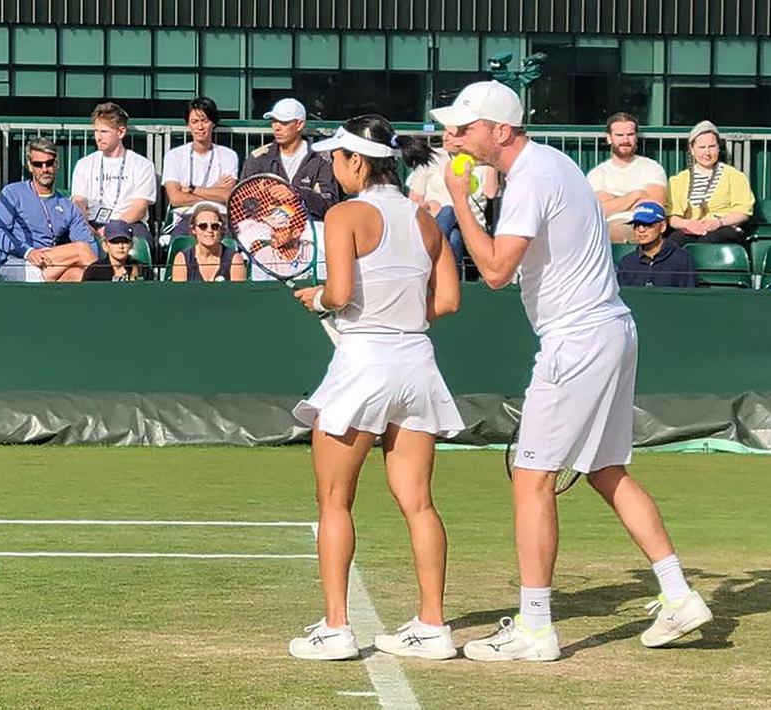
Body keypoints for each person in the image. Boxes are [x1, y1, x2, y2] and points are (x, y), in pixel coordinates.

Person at [434, 81, 713, 661]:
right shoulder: (554, 166)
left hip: (578, 340)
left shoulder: (533, 177)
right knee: (607, 470)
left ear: (500, 131)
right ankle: (679, 593)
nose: (451, 137)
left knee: (531, 477)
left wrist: (460, 198)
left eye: (464, 128)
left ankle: (536, 628)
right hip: (610, 329)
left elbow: (491, 272)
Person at [286, 114, 464, 662]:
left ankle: (337, 628)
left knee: (334, 500)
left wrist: (317, 299)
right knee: (419, 503)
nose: (332, 167)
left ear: (358, 161)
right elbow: (449, 302)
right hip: (416, 365)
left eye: (337, 157)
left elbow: (339, 293)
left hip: (364, 365)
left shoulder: (345, 214)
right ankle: (433, 625)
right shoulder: (426, 219)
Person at [0, 137, 98, 282]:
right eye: (38, 164)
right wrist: (28, 252)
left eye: (49, 163)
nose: (44, 169)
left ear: (57, 164)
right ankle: (113, 290)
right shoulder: (12, 192)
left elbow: (90, 245)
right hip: (16, 263)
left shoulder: (67, 205)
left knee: (79, 274)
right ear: (30, 166)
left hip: (48, 265)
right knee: (81, 250)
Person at [71, 102, 158, 252]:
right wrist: (86, 225)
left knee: (142, 243)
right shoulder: (84, 164)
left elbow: (138, 209)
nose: (98, 137)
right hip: (91, 222)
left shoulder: (142, 165)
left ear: (121, 132)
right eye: (96, 131)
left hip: (128, 222)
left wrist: (111, 228)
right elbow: (79, 202)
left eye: (104, 132)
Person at [406, 129, 499, 269]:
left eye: (452, 134)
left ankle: (425, 263)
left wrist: (491, 163)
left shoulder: (483, 163)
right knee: (452, 230)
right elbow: (414, 201)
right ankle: (449, 277)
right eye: (445, 132)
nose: (445, 138)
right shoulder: (432, 158)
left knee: (452, 219)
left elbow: (491, 192)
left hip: (470, 227)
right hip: (435, 221)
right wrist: (428, 205)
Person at [240, 98, 340, 222]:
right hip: (265, 229)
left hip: (309, 229)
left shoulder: (320, 159)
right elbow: (243, 201)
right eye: (274, 121)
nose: (276, 127)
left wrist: (297, 194)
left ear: (300, 124)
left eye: (283, 122)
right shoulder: (258, 158)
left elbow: (330, 203)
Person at [665, 120, 754, 246]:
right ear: (692, 149)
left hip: (723, 229)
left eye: (712, 147)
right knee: (672, 244)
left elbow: (743, 212)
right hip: (690, 229)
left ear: (718, 147)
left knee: (709, 241)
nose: (707, 153)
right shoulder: (679, 180)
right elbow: (671, 216)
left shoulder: (735, 176)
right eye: (702, 148)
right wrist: (688, 224)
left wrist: (719, 222)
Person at [161, 97, 240, 237]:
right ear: (188, 125)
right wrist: (213, 193)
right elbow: (176, 198)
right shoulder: (174, 156)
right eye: (194, 122)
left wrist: (192, 189)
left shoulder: (229, 155)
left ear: (213, 123)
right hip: (186, 216)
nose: (200, 127)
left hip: (220, 215)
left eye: (204, 121)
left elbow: (227, 195)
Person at [586, 112, 668, 244]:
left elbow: (655, 207)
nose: (625, 140)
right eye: (619, 135)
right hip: (605, 226)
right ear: (609, 138)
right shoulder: (597, 174)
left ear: (636, 137)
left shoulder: (652, 168)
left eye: (630, 135)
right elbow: (598, 211)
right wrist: (636, 195)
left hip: (640, 225)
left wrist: (614, 200)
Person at [615, 202, 699, 288]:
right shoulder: (627, 262)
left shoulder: (681, 259)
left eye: (647, 225)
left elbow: (690, 296)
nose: (641, 230)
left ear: (662, 227)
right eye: (636, 225)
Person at [170, 203, 246, 282]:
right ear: (194, 229)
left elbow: (238, 293)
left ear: (221, 229)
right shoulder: (182, 259)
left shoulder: (235, 259)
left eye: (215, 226)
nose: (209, 230)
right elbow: (180, 293)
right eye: (203, 226)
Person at [83, 221, 152, 282]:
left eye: (125, 241)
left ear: (131, 245)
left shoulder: (142, 270)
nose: (121, 246)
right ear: (105, 245)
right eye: (115, 241)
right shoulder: (95, 271)